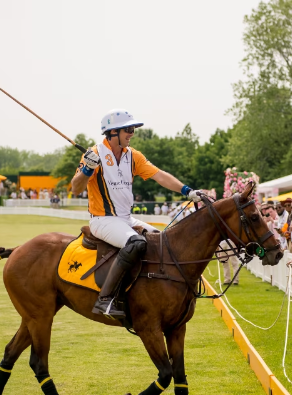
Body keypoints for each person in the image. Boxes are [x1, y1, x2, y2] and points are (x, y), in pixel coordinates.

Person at [70, 108, 202, 319]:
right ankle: (105, 299)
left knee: (161, 241)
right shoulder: (95, 154)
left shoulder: (133, 156)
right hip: (102, 220)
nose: (132, 133)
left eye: (133, 129)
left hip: (125, 219)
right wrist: (87, 169)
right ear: (112, 133)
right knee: (136, 243)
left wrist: (187, 190)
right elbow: (75, 188)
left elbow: (160, 176)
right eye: (128, 129)